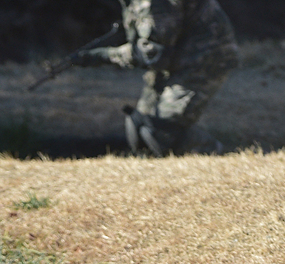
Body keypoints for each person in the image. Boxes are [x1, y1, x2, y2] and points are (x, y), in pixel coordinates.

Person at [72, 0, 239, 156]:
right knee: (139, 125)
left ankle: (215, 152)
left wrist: (101, 56)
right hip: (175, 61)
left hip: (204, 60)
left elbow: (152, 54)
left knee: (161, 133)